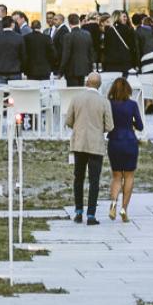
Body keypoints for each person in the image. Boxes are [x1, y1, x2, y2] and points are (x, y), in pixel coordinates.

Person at [65, 72, 113, 225]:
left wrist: (78, 128)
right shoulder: (104, 101)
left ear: (87, 82)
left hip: (79, 143)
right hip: (95, 144)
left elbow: (68, 120)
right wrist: (99, 130)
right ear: (99, 85)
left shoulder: (76, 98)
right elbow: (110, 125)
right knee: (94, 180)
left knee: (78, 178)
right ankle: (91, 214)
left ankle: (78, 211)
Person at [105, 78, 144, 222]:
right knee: (129, 176)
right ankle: (124, 209)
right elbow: (140, 126)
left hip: (114, 141)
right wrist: (131, 122)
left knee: (116, 176)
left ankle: (113, 204)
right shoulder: (132, 105)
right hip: (129, 141)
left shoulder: (109, 104)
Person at [59, 13, 96, 87]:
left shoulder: (68, 36)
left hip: (71, 70)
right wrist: (91, 68)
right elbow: (91, 53)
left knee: (72, 93)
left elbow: (66, 55)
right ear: (79, 21)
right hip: (84, 68)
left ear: (69, 23)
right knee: (82, 90)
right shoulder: (87, 34)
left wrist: (61, 71)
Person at [0, 15, 25, 83]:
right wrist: (21, 68)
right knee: (15, 93)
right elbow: (23, 56)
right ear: (12, 24)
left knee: (0, 93)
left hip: (0, 71)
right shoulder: (19, 37)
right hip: (15, 71)